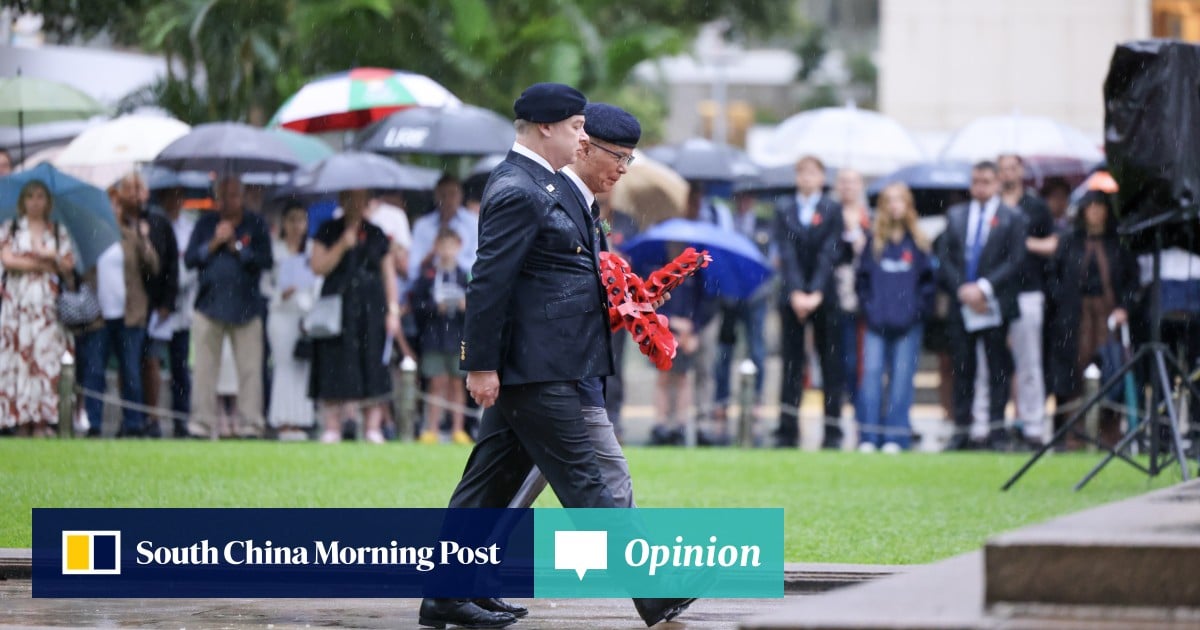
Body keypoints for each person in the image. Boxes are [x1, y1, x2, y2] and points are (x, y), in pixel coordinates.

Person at [418, 84, 691, 630]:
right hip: (536, 369)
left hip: (548, 363)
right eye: (574, 128)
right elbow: (490, 282)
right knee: (586, 483)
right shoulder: (519, 188)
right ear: (546, 127)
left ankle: (448, 593)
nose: (581, 137)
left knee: (489, 484)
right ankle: (654, 592)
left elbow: (556, 277)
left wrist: (629, 300)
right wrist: (480, 362)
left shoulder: (543, 186)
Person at [936, 161, 1027, 451]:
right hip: (962, 303)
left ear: (998, 183)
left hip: (994, 304)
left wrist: (984, 288)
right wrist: (963, 288)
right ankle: (963, 430)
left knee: (998, 368)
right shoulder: (956, 215)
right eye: (976, 181)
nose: (980, 186)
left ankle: (997, 431)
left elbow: (1015, 260)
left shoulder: (1012, 217)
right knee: (963, 368)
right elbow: (945, 256)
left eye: (986, 181)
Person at [309, 188, 401, 445]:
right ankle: (332, 426)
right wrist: (342, 245)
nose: (356, 204)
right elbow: (317, 266)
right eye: (350, 198)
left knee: (372, 363)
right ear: (341, 200)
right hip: (337, 306)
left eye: (361, 199)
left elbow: (388, 274)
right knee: (334, 362)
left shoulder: (376, 233)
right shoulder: (328, 229)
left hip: (371, 308)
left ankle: (373, 426)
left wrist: (393, 309)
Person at [184, 176, 273, 439]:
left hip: (246, 307)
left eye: (234, 195)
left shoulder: (255, 224)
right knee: (203, 370)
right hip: (208, 305)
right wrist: (214, 242)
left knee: (250, 371)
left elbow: (264, 261)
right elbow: (191, 259)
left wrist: (235, 245)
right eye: (223, 196)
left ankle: (250, 425)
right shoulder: (205, 224)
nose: (228, 201)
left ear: (243, 197)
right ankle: (201, 424)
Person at [1047, 191, 1138, 448]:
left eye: (1101, 207)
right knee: (1070, 374)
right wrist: (1062, 301)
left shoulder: (1118, 244)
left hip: (1109, 316)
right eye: (1091, 207)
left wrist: (1125, 308)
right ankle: (1071, 435)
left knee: (1112, 371)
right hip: (1073, 317)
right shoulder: (1069, 242)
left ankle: (1109, 434)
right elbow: (1053, 276)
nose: (1096, 212)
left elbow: (1132, 280)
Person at [855, 183, 934, 453]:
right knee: (871, 378)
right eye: (889, 200)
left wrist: (916, 312)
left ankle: (896, 437)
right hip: (877, 323)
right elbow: (862, 281)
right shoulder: (873, 242)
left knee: (902, 380)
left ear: (908, 205)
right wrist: (871, 309)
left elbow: (927, 284)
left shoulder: (919, 243)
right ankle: (869, 436)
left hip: (908, 324)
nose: (894, 205)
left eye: (900, 200)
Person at [773, 156, 846, 449]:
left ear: (822, 177)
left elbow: (831, 251)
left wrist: (815, 291)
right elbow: (786, 252)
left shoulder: (832, 208)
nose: (806, 178)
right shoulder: (784, 208)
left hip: (825, 297)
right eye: (801, 172)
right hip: (792, 296)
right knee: (792, 364)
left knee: (830, 364)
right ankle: (787, 431)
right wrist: (796, 292)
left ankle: (832, 432)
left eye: (812, 173)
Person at [984, 154, 1055, 447]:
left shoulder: (1035, 207)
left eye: (1013, 168)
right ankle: (995, 425)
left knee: (1029, 363)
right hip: (995, 293)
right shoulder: (990, 208)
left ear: (1021, 171)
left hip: (1027, 290)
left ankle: (1032, 426)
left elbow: (1052, 243)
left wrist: (1019, 242)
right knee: (994, 363)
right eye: (1003, 169)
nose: (1008, 174)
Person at [0, 180, 76, 436]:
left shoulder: (57, 232)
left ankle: (43, 420)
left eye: (40, 196)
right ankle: (21, 419)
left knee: (46, 360)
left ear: (47, 201)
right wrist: (41, 265)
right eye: (30, 196)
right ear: (23, 200)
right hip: (18, 307)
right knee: (19, 360)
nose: (35, 201)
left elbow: (67, 267)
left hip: (46, 308)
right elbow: (9, 260)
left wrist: (49, 255)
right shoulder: (11, 228)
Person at [88, 180, 162, 437]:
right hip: (98, 315)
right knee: (94, 370)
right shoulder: (92, 236)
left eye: (115, 204)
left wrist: (144, 239)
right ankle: (94, 424)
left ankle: (133, 423)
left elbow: (153, 267)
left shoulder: (130, 235)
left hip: (130, 314)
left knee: (130, 370)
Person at [112, 173, 180, 439]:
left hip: (154, 305)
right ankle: (131, 416)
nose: (134, 195)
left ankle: (151, 417)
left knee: (151, 361)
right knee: (127, 364)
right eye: (128, 189)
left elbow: (169, 265)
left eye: (138, 189)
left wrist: (167, 303)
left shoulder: (158, 222)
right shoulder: (115, 224)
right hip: (125, 304)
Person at [713, 189, 771, 430]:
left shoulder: (765, 224)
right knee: (724, 351)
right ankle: (721, 400)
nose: (744, 201)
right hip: (729, 296)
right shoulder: (725, 223)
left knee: (756, 349)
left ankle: (755, 400)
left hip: (756, 296)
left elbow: (771, 260)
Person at [411, 229, 471, 445]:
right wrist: (435, 307)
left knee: (458, 383)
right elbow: (416, 305)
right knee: (436, 382)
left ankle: (458, 429)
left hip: (458, 338)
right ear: (436, 247)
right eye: (442, 245)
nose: (446, 251)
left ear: (459, 246)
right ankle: (432, 429)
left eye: (451, 245)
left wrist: (466, 306)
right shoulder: (427, 276)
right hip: (434, 337)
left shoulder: (465, 276)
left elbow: (479, 304)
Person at [267, 204, 318, 440]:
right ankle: (282, 420)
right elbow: (265, 285)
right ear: (284, 224)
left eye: (301, 220)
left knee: (302, 368)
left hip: (304, 315)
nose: (297, 226)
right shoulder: (275, 251)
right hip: (281, 314)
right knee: (283, 367)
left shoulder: (311, 251)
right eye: (292, 220)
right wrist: (280, 294)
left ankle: (301, 420)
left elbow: (318, 282)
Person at [150, 185, 197, 437]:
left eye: (179, 197)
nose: (175, 202)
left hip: (184, 304)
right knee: (153, 363)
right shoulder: (154, 224)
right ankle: (152, 419)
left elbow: (191, 264)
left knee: (180, 367)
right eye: (170, 196)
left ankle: (181, 420)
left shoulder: (191, 227)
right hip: (160, 307)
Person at [834, 169, 869, 416]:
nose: (847, 187)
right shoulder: (829, 215)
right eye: (843, 182)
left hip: (865, 297)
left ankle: (862, 412)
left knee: (861, 361)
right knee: (841, 359)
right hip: (836, 297)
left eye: (852, 182)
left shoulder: (870, 219)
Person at [408, 173, 479, 283]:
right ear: (435, 197)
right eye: (443, 195)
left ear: (461, 196)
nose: (448, 200)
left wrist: (451, 260)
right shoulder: (422, 226)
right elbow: (413, 270)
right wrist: (431, 258)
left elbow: (476, 264)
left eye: (452, 194)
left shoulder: (473, 223)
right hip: (430, 288)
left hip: (464, 285)